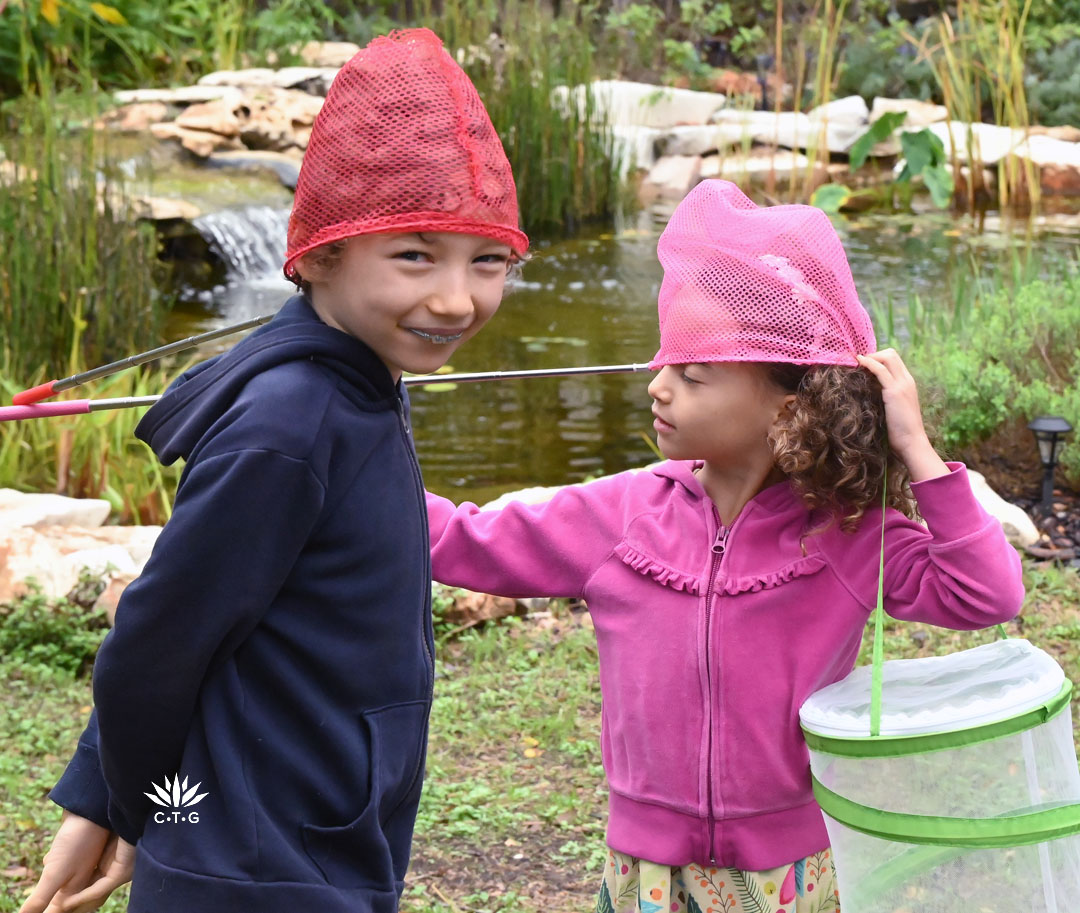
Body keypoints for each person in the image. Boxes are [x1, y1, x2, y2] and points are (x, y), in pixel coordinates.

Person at [19, 27, 528, 913]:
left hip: (312, 822)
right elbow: (162, 634)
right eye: (414, 255)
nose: (457, 298)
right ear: (322, 256)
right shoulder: (290, 422)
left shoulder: (369, 379)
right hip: (258, 862)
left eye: (489, 261)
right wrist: (115, 805)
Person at [424, 180, 1025, 913]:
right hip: (645, 870)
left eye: (693, 373)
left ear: (789, 404)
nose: (659, 386)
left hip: (789, 874)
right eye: (664, 363)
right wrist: (357, 436)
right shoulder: (621, 513)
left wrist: (918, 448)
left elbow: (986, 594)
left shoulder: (846, 534)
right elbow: (458, 539)